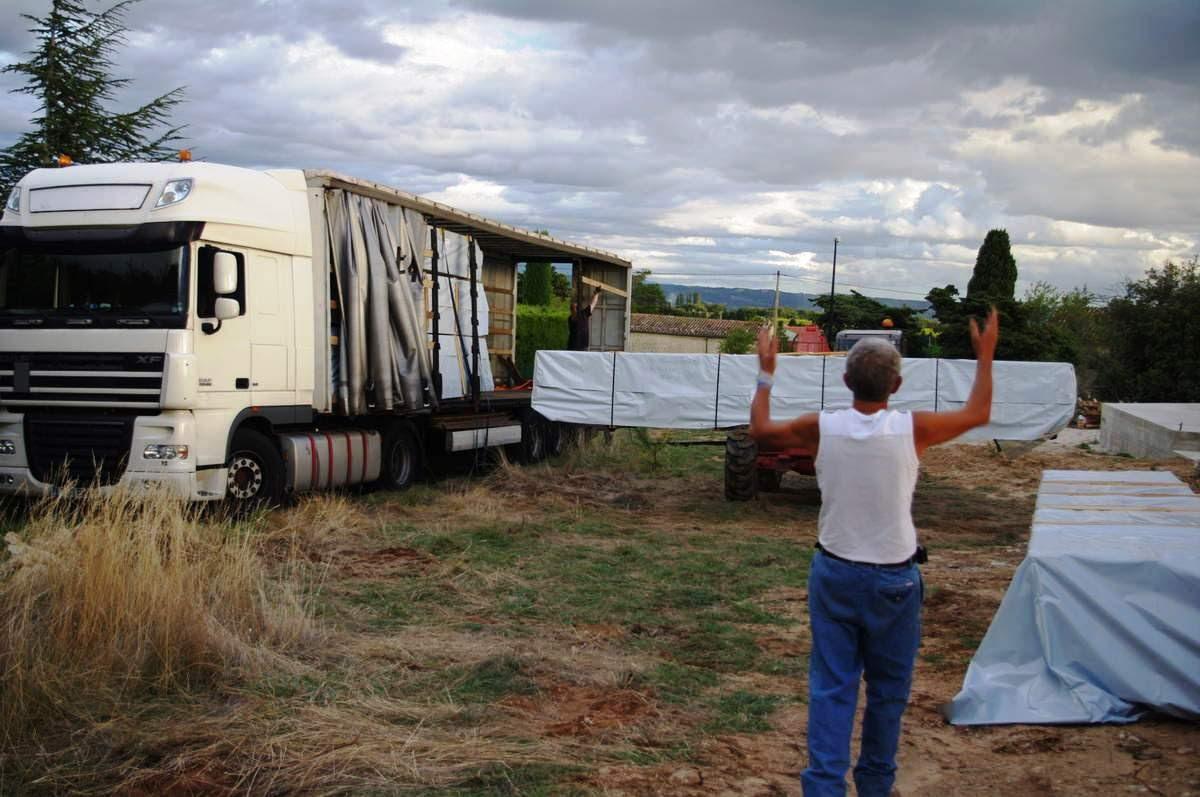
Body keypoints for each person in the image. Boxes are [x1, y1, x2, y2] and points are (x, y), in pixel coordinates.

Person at [750, 308, 1000, 797]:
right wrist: (985, 356)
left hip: (835, 574)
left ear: (845, 379)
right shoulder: (913, 429)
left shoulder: (821, 427)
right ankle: (875, 786)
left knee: (832, 688)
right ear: (898, 385)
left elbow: (760, 430)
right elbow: (979, 414)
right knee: (888, 694)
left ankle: (823, 787)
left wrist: (766, 371)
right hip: (895, 581)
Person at [567, 287, 602, 351]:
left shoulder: (583, 314)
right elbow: (593, 304)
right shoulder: (572, 318)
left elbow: (593, 303)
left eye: (574, 307)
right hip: (573, 346)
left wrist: (596, 293)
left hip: (582, 346)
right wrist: (596, 293)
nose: (573, 309)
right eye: (572, 307)